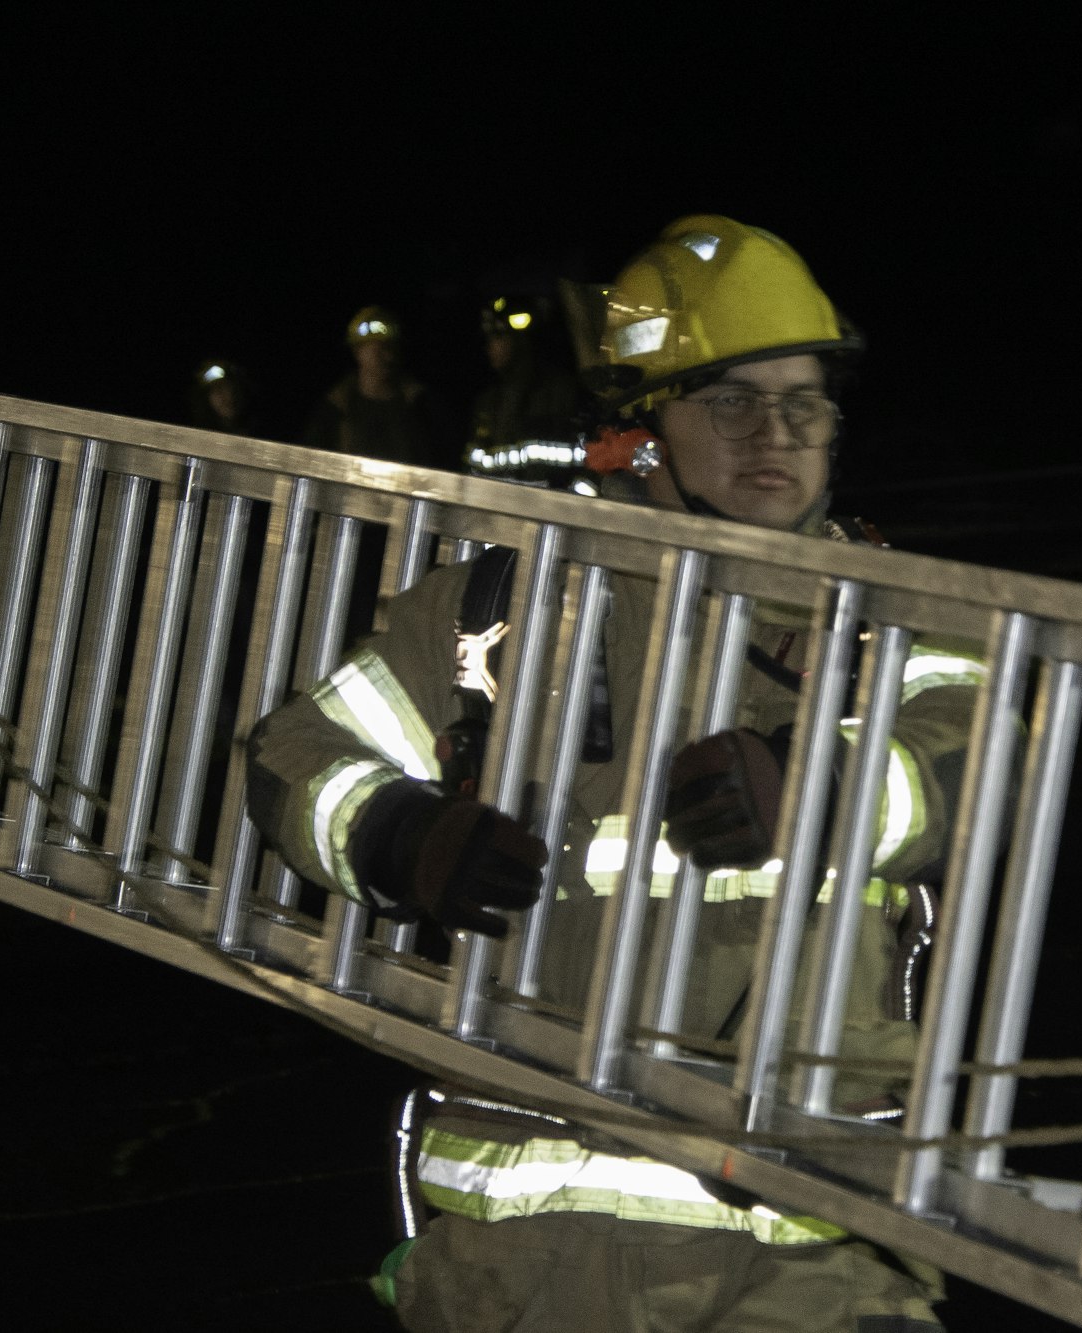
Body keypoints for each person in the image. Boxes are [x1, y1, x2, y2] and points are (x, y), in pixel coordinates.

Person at [245, 216, 982, 1331]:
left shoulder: (891, 619)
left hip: (819, 1269)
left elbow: (980, 754)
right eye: (729, 402)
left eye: (803, 402)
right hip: (534, 1270)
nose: (773, 433)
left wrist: (815, 789)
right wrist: (403, 837)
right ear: (638, 431)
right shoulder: (494, 608)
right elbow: (293, 758)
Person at [303, 305, 452, 468]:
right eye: (379, 349)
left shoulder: (422, 408)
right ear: (357, 351)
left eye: (392, 348)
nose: (388, 356)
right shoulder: (335, 410)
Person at [462, 295, 582, 485]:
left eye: (498, 337)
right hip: (498, 507)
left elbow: (582, 459)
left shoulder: (559, 391)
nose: (489, 346)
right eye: (488, 339)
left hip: (551, 508)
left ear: (520, 340)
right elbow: (473, 468)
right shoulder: (488, 402)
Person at [187, 358, 263, 436]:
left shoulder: (262, 430)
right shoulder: (199, 435)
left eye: (226, 387)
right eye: (216, 391)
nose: (223, 396)